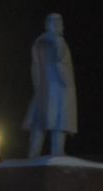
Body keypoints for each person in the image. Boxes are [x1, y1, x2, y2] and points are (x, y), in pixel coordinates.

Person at [24, 13, 77, 157]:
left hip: (43, 86)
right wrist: (65, 82)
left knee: (40, 120)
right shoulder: (58, 41)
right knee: (59, 120)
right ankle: (57, 151)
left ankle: (33, 153)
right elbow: (60, 63)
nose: (62, 26)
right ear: (52, 24)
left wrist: (38, 84)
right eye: (59, 23)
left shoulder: (39, 42)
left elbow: (34, 67)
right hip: (58, 88)